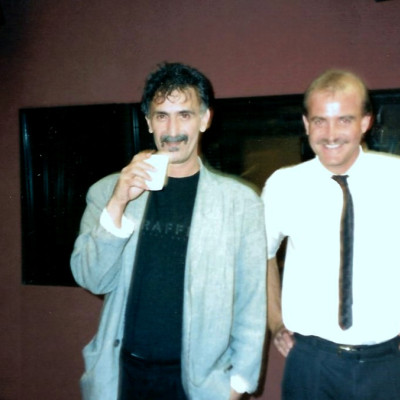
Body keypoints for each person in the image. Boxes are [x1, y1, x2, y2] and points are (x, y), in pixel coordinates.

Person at [262, 69, 400, 400]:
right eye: (319, 121)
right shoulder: (283, 185)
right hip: (312, 364)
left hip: (391, 363)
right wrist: (275, 321)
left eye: (344, 120)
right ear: (306, 124)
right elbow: (262, 255)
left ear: (365, 122)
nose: (331, 134)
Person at [71, 62, 267, 400]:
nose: (172, 129)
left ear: (205, 119)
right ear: (148, 121)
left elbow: (251, 301)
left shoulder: (240, 202)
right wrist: (118, 203)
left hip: (201, 385)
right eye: (161, 115)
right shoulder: (106, 192)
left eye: (185, 115)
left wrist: (237, 385)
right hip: (123, 377)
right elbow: (92, 278)